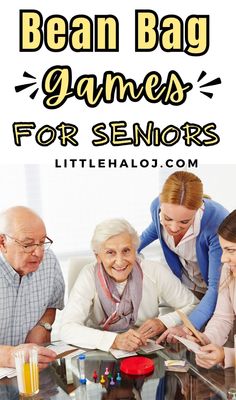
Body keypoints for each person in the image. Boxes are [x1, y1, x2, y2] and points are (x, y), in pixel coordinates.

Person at [60, 218, 199, 352]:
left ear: (134, 250)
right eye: (110, 253)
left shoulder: (153, 271)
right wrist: (114, 341)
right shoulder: (89, 275)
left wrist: (164, 322)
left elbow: (194, 306)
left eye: (126, 251)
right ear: (98, 256)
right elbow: (67, 328)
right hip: (100, 357)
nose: (120, 262)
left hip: (148, 355)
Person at [138, 171, 228, 337]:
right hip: (187, 286)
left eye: (184, 222)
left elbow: (216, 288)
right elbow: (153, 231)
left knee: (206, 339)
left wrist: (187, 327)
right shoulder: (156, 206)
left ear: (198, 208)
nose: (172, 228)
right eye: (167, 218)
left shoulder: (217, 223)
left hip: (215, 290)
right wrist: (128, 250)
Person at [0, 206, 65, 346]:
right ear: (2, 242)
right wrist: (11, 356)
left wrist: (44, 325)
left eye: (42, 242)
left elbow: (52, 304)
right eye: (28, 244)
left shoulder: (49, 261)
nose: (39, 253)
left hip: (35, 362)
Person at [185, 210, 236, 369]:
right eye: (223, 250)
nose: (223, 259)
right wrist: (207, 339)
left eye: (231, 250)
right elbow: (222, 317)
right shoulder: (229, 270)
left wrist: (228, 356)